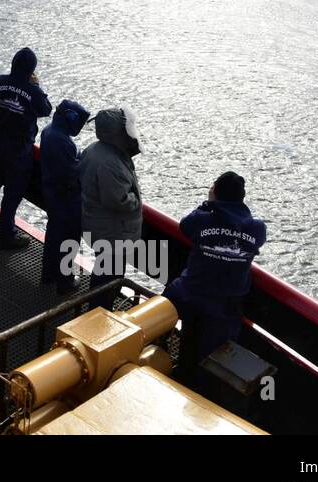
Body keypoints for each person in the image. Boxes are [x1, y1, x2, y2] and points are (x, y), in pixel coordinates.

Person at [164, 171, 267, 376]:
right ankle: (201, 388)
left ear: (215, 194)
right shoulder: (257, 228)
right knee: (211, 357)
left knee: (161, 314)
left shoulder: (202, 220)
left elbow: (185, 225)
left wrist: (209, 204)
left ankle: (154, 349)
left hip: (189, 293)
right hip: (225, 305)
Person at [78, 106, 143, 307]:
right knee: (109, 275)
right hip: (113, 231)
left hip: (100, 225)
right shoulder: (110, 163)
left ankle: (97, 309)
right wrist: (136, 200)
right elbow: (118, 200)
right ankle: (98, 312)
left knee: (105, 268)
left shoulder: (95, 150)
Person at [0, 47, 53, 250]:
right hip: (19, 151)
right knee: (12, 195)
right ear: (31, 69)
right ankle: (6, 235)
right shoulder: (33, 91)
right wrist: (36, 86)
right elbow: (45, 109)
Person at [39, 100, 92, 294]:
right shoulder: (63, 141)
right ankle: (65, 281)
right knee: (69, 240)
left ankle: (49, 274)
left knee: (53, 235)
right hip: (67, 199)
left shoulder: (49, 131)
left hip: (52, 195)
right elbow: (72, 173)